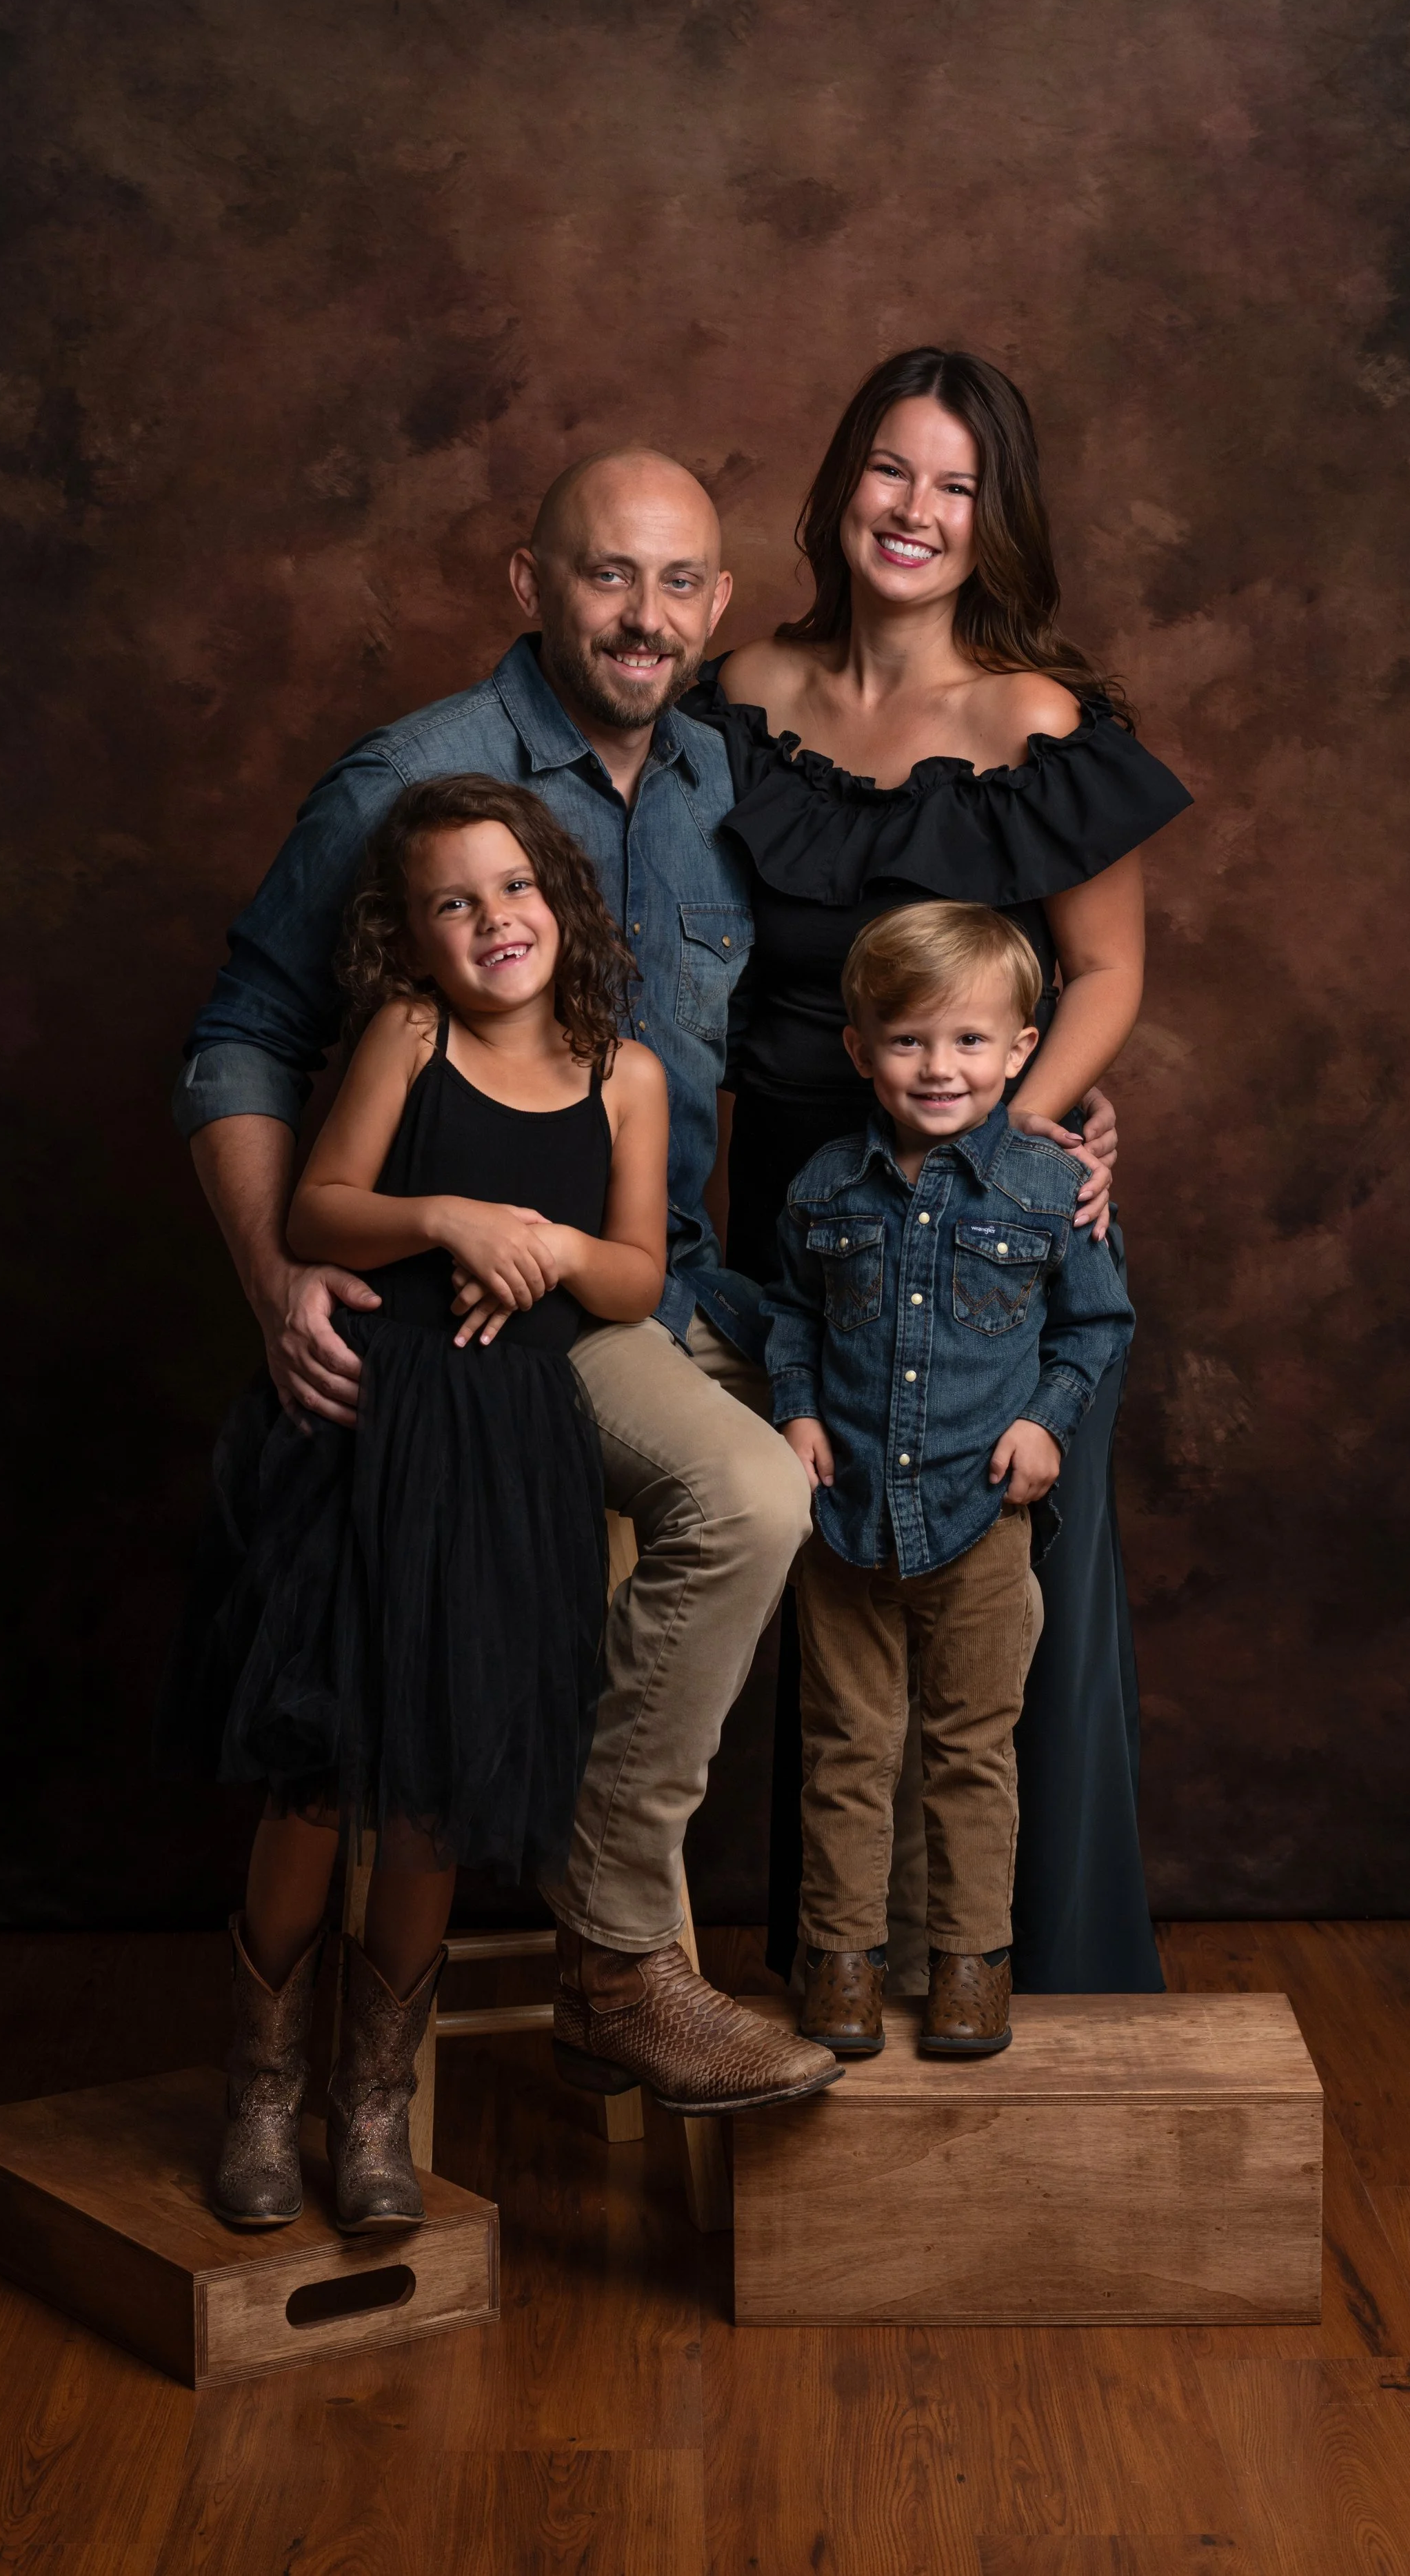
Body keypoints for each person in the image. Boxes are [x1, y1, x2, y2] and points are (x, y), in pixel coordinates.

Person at [171, 449, 835, 2118]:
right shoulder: (411, 784)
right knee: (729, 1503)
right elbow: (238, 1038)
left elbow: (801, 1018)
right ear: (528, 584)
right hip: (454, 1315)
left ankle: (706, 1944)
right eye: (609, 575)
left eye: (680, 583)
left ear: (717, 607)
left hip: (650, 1291)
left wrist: (1031, 1104)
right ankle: (569, 1968)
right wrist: (276, 1273)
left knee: (866, 1474)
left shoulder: (711, 777)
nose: (646, 615)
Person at [683, 346, 1191, 1992]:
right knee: (825, 1597)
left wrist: (1016, 1138)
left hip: (986, 1244)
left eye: (955, 485)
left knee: (1001, 1604)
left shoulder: (1039, 721)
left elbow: (1102, 972)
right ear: (840, 486)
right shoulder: (739, 687)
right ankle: (830, 1966)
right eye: (889, 471)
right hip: (779, 1204)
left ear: (994, 521)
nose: (913, 509)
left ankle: (1019, 1971)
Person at [168, 777, 681, 2228]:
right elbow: (319, 1206)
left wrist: (548, 1244)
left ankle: (372, 2106)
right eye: (450, 903)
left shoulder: (625, 1076)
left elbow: (635, 1276)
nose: (490, 920)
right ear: (408, 937)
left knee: (436, 1796)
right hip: (372, 1433)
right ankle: (262, 2090)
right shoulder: (410, 1036)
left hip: (513, 1450)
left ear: (559, 898)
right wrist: (451, 1218)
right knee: (325, 1773)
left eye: (511, 888)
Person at [764, 903, 1134, 2056]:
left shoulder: (1044, 1185)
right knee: (846, 1751)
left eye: (971, 1042)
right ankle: (842, 1965)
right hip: (849, 1521)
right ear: (860, 1048)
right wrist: (799, 1411)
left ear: (1023, 1048)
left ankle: (973, 1966)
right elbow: (787, 1313)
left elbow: (1095, 1326)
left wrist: (1047, 1424)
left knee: (975, 1752)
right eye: (910, 1040)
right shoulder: (825, 1185)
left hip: (984, 1520)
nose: (940, 1068)